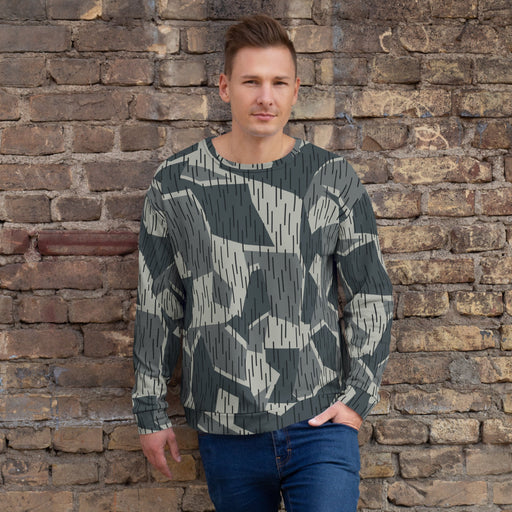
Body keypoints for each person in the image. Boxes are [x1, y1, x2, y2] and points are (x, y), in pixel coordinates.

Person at [132, 13, 393, 512]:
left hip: (320, 422)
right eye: (251, 82)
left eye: (278, 83)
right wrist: (149, 410)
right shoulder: (174, 183)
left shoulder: (332, 178)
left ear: (296, 91)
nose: (265, 97)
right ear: (224, 87)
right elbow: (157, 302)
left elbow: (370, 292)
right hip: (224, 427)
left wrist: (359, 397)